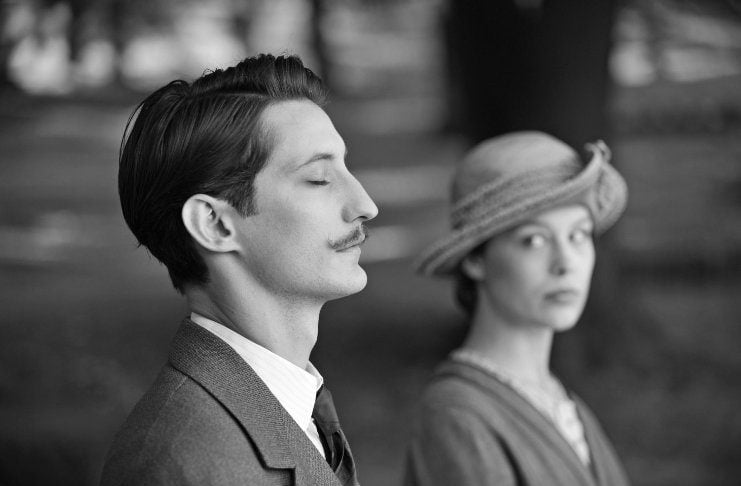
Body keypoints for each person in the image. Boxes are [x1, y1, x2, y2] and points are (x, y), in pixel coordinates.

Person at [100, 54, 378, 486]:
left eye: (347, 167)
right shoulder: (185, 465)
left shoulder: (296, 409)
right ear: (214, 224)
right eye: (320, 178)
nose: (365, 205)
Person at [404, 131, 630, 486]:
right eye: (534, 240)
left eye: (578, 235)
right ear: (476, 259)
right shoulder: (458, 417)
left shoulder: (565, 405)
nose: (565, 263)